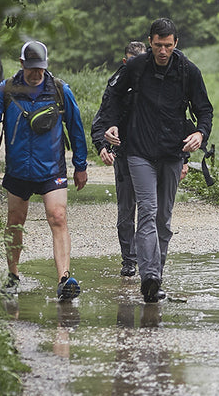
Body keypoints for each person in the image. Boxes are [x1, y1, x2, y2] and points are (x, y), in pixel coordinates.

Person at [102, 18, 213, 304]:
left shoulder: (188, 71)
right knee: (148, 213)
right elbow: (112, 94)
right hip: (139, 152)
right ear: (149, 42)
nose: (162, 51)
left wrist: (200, 134)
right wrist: (111, 125)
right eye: (157, 45)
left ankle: (156, 279)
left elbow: (205, 109)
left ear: (176, 43)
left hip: (172, 154)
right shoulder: (136, 67)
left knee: (163, 218)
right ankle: (149, 276)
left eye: (167, 45)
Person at [0, 40, 91, 301]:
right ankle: (13, 275)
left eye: (40, 69)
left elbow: (76, 129)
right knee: (15, 221)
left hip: (52, 169)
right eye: (31, 69)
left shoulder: (60, 90)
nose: (36, 74)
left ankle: (64, 279)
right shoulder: (5, 91)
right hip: (18, 169)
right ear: (21, 64)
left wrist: (80, 165)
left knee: (58, 216)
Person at [90, 40, 150, 278]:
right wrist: (102, 146)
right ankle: (129, 260)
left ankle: (149, 260)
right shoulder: (117, 84)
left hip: (150, 153)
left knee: (150, 209)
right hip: (124, 154)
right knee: (126, 210)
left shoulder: (156, 81)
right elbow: (102, 118)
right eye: (132, 63)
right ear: (125, 61)